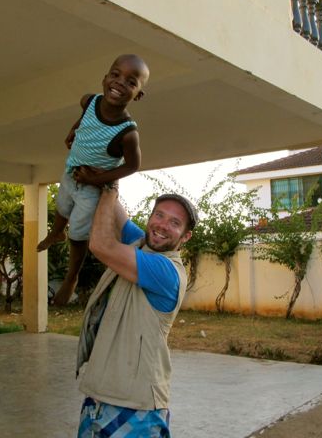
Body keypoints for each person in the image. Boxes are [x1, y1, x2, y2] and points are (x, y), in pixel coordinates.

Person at [76, 186, 197, 437]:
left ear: (185, 237)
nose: (162, 225)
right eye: (159, 215)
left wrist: (108, 194)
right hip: (99, 396)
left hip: (136, 407)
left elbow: (100, 244)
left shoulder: (165, 272)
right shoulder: (141, 244)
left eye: (175, 222)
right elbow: (117, 213)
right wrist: (107, 171)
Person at [37, 54, 150, 306]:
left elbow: (133, 166)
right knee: (62, 206)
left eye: (131, 82)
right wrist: (73, 129)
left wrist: (96, 179)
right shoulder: (89, 101)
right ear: (104, 78)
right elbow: (85, 118)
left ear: (138, 95)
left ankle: (71, 277)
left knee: (78, 231)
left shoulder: (128, 133)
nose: (120, 82)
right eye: (115, 74)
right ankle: (56, 233)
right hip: (71, 172)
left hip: (93, 186)